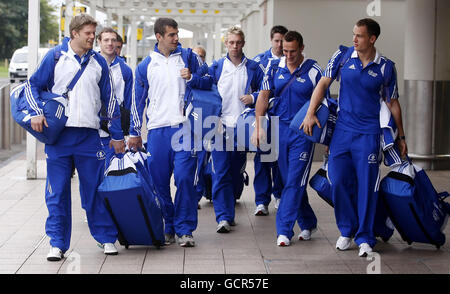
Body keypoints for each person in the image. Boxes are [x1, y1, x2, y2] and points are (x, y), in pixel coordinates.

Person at [300, 18, 407, 257]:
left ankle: (365, 237)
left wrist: (401, 136)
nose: (354, 40)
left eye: (359, 36)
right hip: (342, 132)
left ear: (372, 39)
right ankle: (346, 230)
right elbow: (322, 84)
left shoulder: (386, 67)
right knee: (337, 181)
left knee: (367, 187)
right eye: (353, 35)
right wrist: (309, 113)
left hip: (369, 134)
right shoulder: (342, 56)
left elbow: (393, 103)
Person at [26, 14, 126, 261]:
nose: (93, 37)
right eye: (88, 34)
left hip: (90, 137)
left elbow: (110, 101)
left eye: (94, 33)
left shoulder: (98, 63)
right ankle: (57, 243)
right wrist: (37, 113)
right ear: (74, 34)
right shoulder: (55, 57)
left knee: (94, 190)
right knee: (57, 192)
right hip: (59, 138)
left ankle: (105, 238)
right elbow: (33, 86)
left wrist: (117, 136)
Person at [127, 18, 212, 247]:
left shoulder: (189, 57)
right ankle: (168, 225)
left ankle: (185, 229)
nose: (176, 38)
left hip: (185, 128)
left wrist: (193, 78)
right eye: (172, 35)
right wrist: (134, 131)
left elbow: (209, 80)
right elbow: (137, 101)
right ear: (159, 37)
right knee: (159, 182)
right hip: (157, 131)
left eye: (176, 34)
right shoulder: (145, 65)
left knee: (185, 179)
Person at [252, 31, 320, 246]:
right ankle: (308, 221)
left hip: (303, 132)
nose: (288, 55)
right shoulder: (273, 67)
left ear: (301, 48)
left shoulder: (314, 70)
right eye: (285, 51)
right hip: (279, 130)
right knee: (290, 178)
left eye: (292, 51)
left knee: (293, 180)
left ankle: (284, 230)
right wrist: (259, 127)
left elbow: (323, 100)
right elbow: (263, 97)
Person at [207, 26, 264, 233]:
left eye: (238, 42)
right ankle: (223, 216)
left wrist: (254, 98)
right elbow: (207, 94)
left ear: (243, 43)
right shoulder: (216, 67)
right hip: (220, 128)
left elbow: (267, 93)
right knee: (220, 172)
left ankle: (230, 207)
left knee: (235, 171)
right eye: (231, 42)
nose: (234, 46)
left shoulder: (255, 68)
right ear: (226, 43)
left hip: (242, 128)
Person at [252, 25, 288, 216]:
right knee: (263, 160)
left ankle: (279, 195)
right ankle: (261, 200)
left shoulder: (291, 60)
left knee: (280, 160)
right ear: (271, 40)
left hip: (283, 119)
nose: (280, 44)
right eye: (277, 40)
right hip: (264, 119)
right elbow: (252, 89)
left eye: (283, 40)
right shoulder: (260, 61)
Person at [97, 27, 133, 164]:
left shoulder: (125, 70)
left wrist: (127, 133)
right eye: (106, 40)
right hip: (91, 128)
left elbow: (128, 102)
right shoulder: (90, 64)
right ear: (99, 42)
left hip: (113, 130)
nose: (110, 43)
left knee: (110, 171)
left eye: (113, 40)